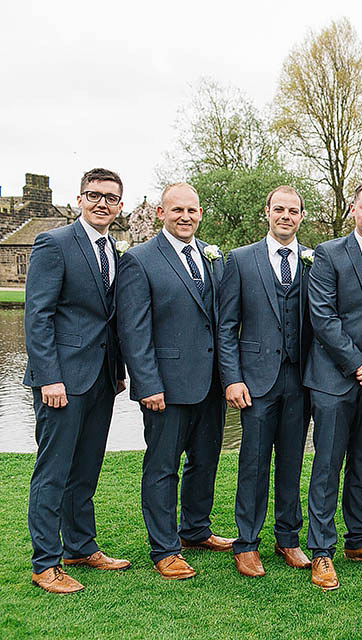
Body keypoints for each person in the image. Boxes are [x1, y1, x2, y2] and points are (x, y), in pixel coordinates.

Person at [117, 182, 233, 580]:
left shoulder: (212, 257)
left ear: (201, 213)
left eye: (193, 210)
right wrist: (148, 384)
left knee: (205, 461)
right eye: (177, 210)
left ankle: (196, 530)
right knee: (163, 467)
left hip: (211, 384)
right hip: (165, 386)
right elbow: (134, 330)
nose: (186, 217)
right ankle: (164, 548)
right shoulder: (140, 259)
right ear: (162, 213)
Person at [24, 168, 130, 593]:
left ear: (120, 205)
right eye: (94, 195)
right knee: (53, 471)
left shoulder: (115, 252)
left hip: (101, 380)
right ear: (80, 198)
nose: (102, 203)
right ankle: (45, 563)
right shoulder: (55, 243)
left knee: (86, 469)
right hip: (61, 381)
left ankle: (80, 546)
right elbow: (39, 316)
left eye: (110, 197)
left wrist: (117, 372)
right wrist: (49, 377)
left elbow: (111, 318)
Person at [303, 181, 362, 591]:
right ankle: (322, 551)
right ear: (354, 212)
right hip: (333, 379)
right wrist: (360, 364)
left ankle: (359, 540)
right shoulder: (328, 254)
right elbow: (323, 318)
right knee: (327, 465)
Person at [218, 186, 313, 577]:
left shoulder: (313, 261)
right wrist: (232, 379)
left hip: (301, 378)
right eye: (279, 209)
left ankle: (288, 538)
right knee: (253, 463)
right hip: (255, 381)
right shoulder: (240, 260)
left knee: (291, 462)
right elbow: (226, 327)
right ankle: (247, 544)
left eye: (293, 210)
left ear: (302, 216)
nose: (285, 216)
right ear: (267, 212)